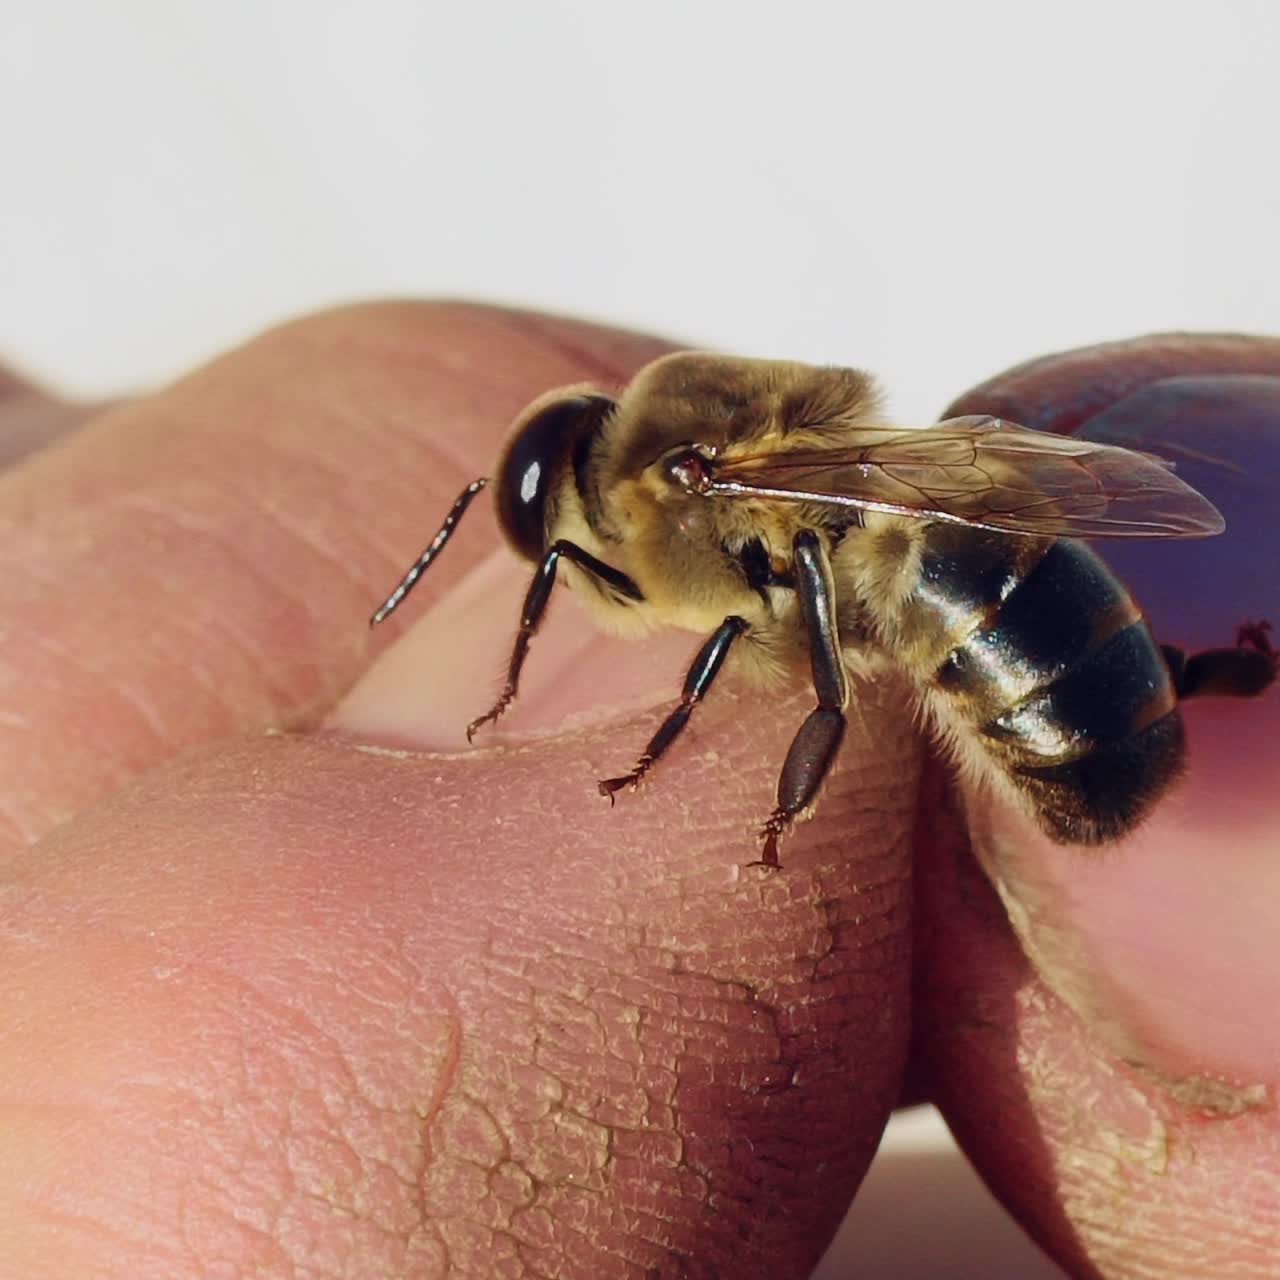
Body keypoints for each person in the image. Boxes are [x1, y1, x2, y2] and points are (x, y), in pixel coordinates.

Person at [1, 301, 1276, 1278]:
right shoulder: (757, 472)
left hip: (967, 591)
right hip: (985, 561)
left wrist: (711, 725)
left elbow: (755, 617)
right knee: (912, 596)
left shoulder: (699, 486)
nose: (551, 567)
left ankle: (1164, 686)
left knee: (876, 617)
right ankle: (1218, 672)